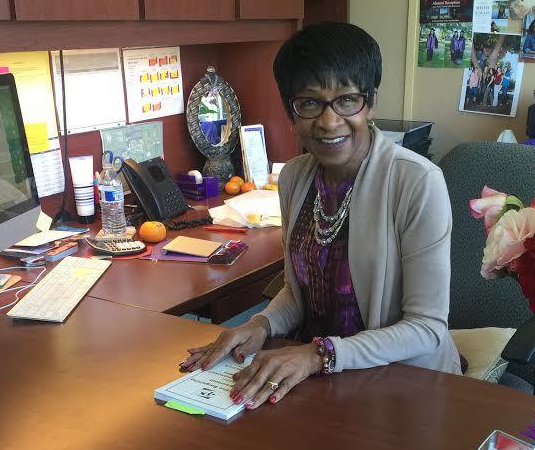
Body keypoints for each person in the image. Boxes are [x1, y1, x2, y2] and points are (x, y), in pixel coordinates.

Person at [180, 22, 460, 410]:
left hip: (403, 386)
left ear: (371, 100)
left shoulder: (417, 182)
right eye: (310, 103)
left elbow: (426, 328)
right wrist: (259, 326)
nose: (329, 122)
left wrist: (319, 354)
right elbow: (302, 293)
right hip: (319, 380)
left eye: (347, 100)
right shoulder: (295, 177)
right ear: (290, 111)